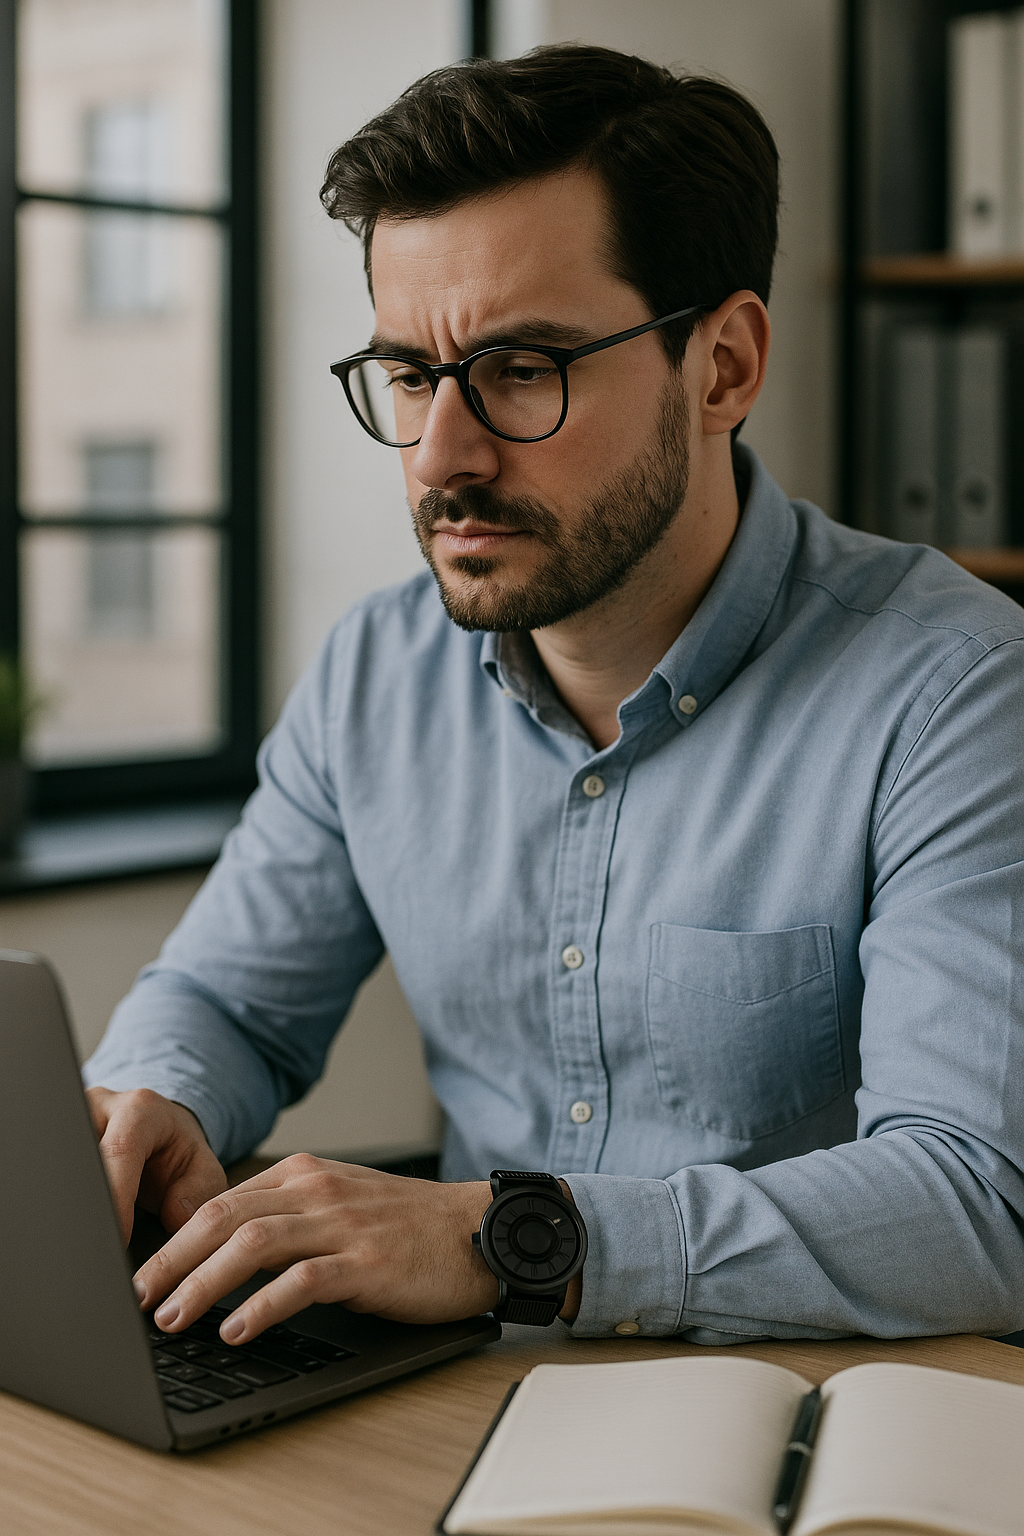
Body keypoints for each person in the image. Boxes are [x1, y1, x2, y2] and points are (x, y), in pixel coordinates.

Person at [86, 44, 1024, 1350]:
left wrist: (506, 1240)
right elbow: (230, 1001)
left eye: (525, 369)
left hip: (811, 1431)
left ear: (724, 368)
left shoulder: (958, 692)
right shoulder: (376, 674)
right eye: (410, 375)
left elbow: (980, 1207)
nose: (443, 459)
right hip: (474, 1407)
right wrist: (156, 1104)